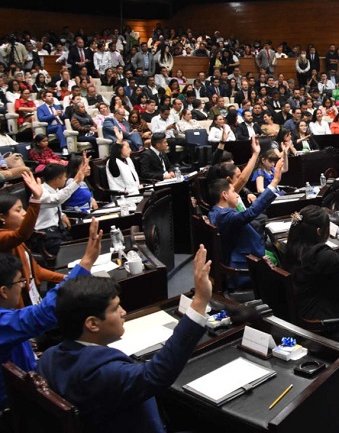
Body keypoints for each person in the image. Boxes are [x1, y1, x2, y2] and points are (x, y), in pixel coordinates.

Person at [36, 245, 214, 433]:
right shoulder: (103, 373)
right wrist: (200, 300)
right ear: (92, 324)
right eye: (115, 309)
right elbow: (155, 375)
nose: (124, 313)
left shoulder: (49, 358)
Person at [0, 219, 100, 407]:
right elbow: (43, 314)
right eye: (18, 282)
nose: (23, 286)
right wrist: (85, 263)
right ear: (4, 291)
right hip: (18, 402)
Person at [284, 196, 339, 341]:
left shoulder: (293, 248)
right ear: (319, 231)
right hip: (321, 326)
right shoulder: (317, 255)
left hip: (302, 314)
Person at [208, 142, 281, 289]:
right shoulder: (225, 215)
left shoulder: (216, 211)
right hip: (246, 263)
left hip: (247, 252)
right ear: (224, 195)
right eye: (233, 192)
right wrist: (274, 183)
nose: (236, 194)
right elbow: (251, 213)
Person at [0, 171, 66, 303]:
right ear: (2, 217)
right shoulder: (4, 237)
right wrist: (36, 200)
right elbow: (21, 235)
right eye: (18, 210)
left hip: (34, 295)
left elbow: (36, 271)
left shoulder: (14, 238)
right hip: (18, 303)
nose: (24, 214)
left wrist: (66, 278)